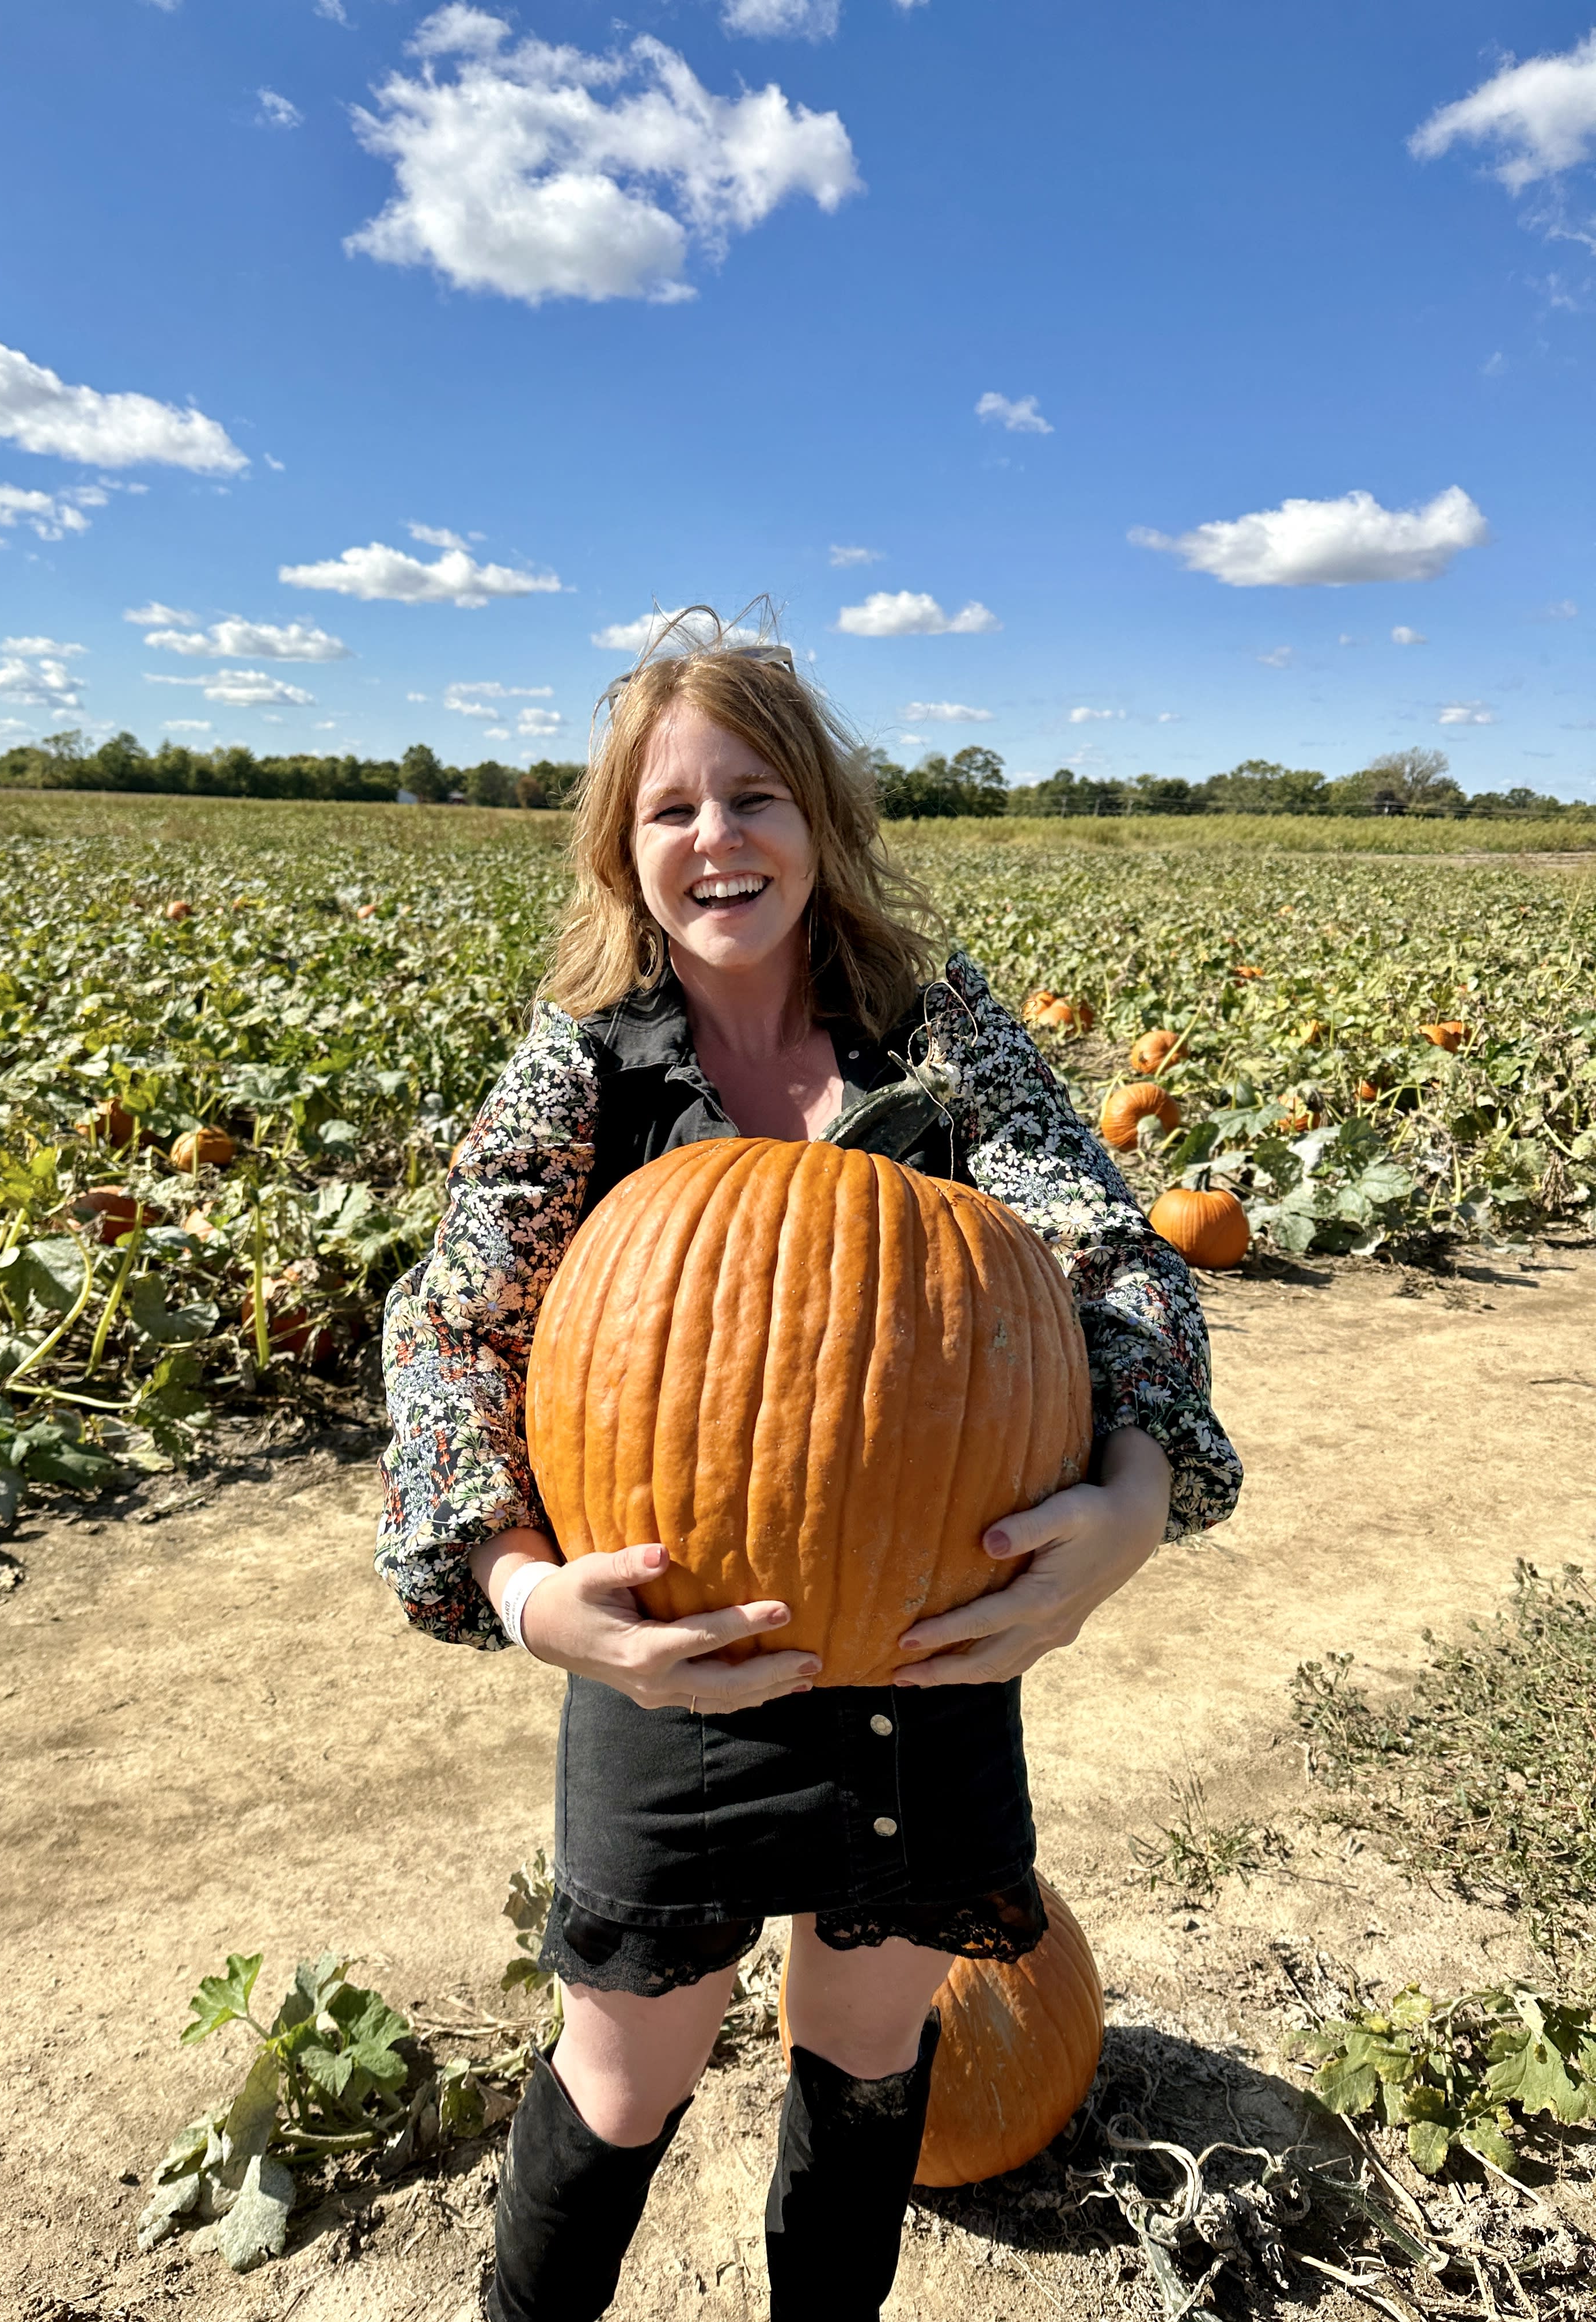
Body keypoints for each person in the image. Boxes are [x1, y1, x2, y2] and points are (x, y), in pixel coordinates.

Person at [375, 616, 1241, 2321]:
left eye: (754, 796)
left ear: (820, 819)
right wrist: (531, 1599)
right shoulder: (590, 1069)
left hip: (925, 1652)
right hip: (672, 1654)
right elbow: (450, 1334)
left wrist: (1135, 1495)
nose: (717, 839)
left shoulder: (937, 1032)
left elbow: (1112, 1260)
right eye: (672, 810)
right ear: (623, 849)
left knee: (864, 2053)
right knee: (628, 2074)